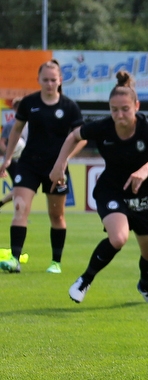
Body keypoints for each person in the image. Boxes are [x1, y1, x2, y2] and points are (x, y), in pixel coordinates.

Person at [49, 71, 148, 304]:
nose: (119, 114)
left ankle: (145, 286)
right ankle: (84, 280)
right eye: (114, 110)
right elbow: (74, 137)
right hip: (110, 191)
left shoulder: (146, 127)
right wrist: (60, 164)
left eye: (125, 109)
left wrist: (144, 170)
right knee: (118, 238)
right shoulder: (103, 127)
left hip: (141, 196)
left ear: (136, 106)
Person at [0, 61, 84, 274]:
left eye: (53, 80)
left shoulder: (69, 107)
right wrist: (8, 159)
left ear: (60, 81)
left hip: (56, 168)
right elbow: (16, 131)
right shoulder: (29, 103)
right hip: (28, 164)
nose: (49, 83)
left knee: (56, 216)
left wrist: (64, 161)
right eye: (45, 80)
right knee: (20, 208)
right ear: (38, 80)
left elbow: (81, 139)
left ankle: (55, 262)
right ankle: (14, 260)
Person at [1, 98, 27, 211]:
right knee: (21, 187)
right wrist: (9, 155)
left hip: (27, 161)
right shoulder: (10, 125)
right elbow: (2, 142)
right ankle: (20, 214)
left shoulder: (30, 124)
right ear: (15, 109)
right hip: (14, 161)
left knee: (23, 188)